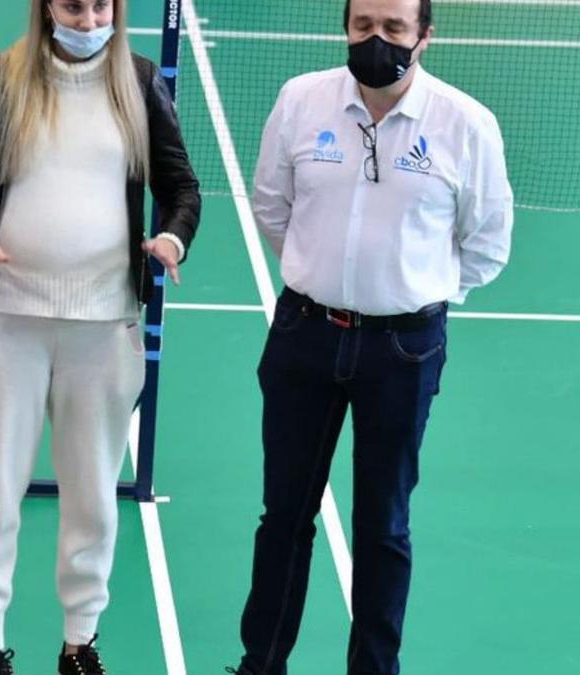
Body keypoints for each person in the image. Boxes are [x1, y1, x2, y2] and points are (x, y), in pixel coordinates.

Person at [229, 1, 513, 673]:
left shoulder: (467, 125)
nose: (376, 41)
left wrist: (414, 289)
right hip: (305, 336)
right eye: (363, 27)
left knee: (383, 526)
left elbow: (488, 243)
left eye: (393, 29)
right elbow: (272, 202)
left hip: (404, 350)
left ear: (424, 36)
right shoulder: (302, 100)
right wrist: (320, 276)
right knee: (284, 516)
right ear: (346, 27)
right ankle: (260, 662)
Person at [0, 0, 201, 673]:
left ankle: (81, 641)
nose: (87, 19)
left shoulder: (139, 84)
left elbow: (182, 187)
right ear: (46, 7)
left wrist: (172, 237)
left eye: (101, 5)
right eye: (73, 5)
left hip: (104, 326)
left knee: (92, 494)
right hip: (5, 324)